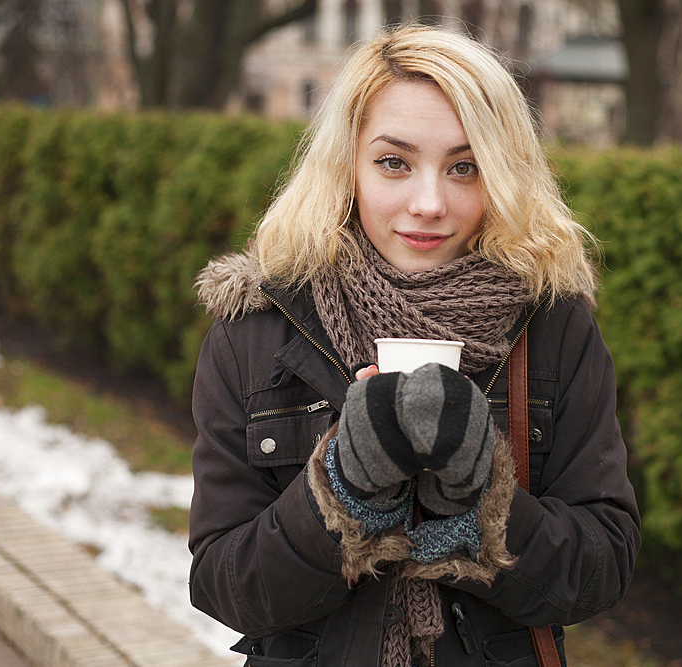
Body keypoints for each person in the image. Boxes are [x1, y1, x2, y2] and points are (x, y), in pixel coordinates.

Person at [188, 22, 640, 667]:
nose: (428, 203)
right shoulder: (258, 329)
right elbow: (224, 585)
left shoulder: (552, 326)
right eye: (394, 162)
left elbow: (602, 566)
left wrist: (481, 500)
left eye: (465, 167)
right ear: (348, 165)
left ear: (503, 173)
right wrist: (344, 488)